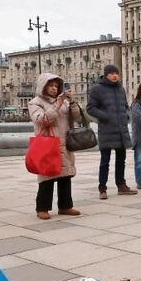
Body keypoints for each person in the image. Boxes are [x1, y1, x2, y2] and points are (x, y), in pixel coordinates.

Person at [28, 73, 81, 220]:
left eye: (56, 86)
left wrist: (72, 102)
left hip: (64, 142)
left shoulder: (63, 101)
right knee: (47, 177)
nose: (54, 88)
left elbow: (77, 118)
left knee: (65, 176)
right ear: (43, 86)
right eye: (50, 85)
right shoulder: (35, 103)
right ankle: (42, 208)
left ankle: (65, 206)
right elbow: (41, 120)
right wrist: (56, 107)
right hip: (48, 143)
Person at [87, 64, 136, 199]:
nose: (115, 76)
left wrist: (127, 115)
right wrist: (105, 116)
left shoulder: (120, 89)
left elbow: (126, 106)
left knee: (121, 160)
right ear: (106, 74)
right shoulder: (97, 89)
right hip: (107, 130)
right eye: (112, 73)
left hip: (121, 131)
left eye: (117, 73)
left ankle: (121, 185)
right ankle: (102, 188)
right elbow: (90, 108)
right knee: (105, 161)